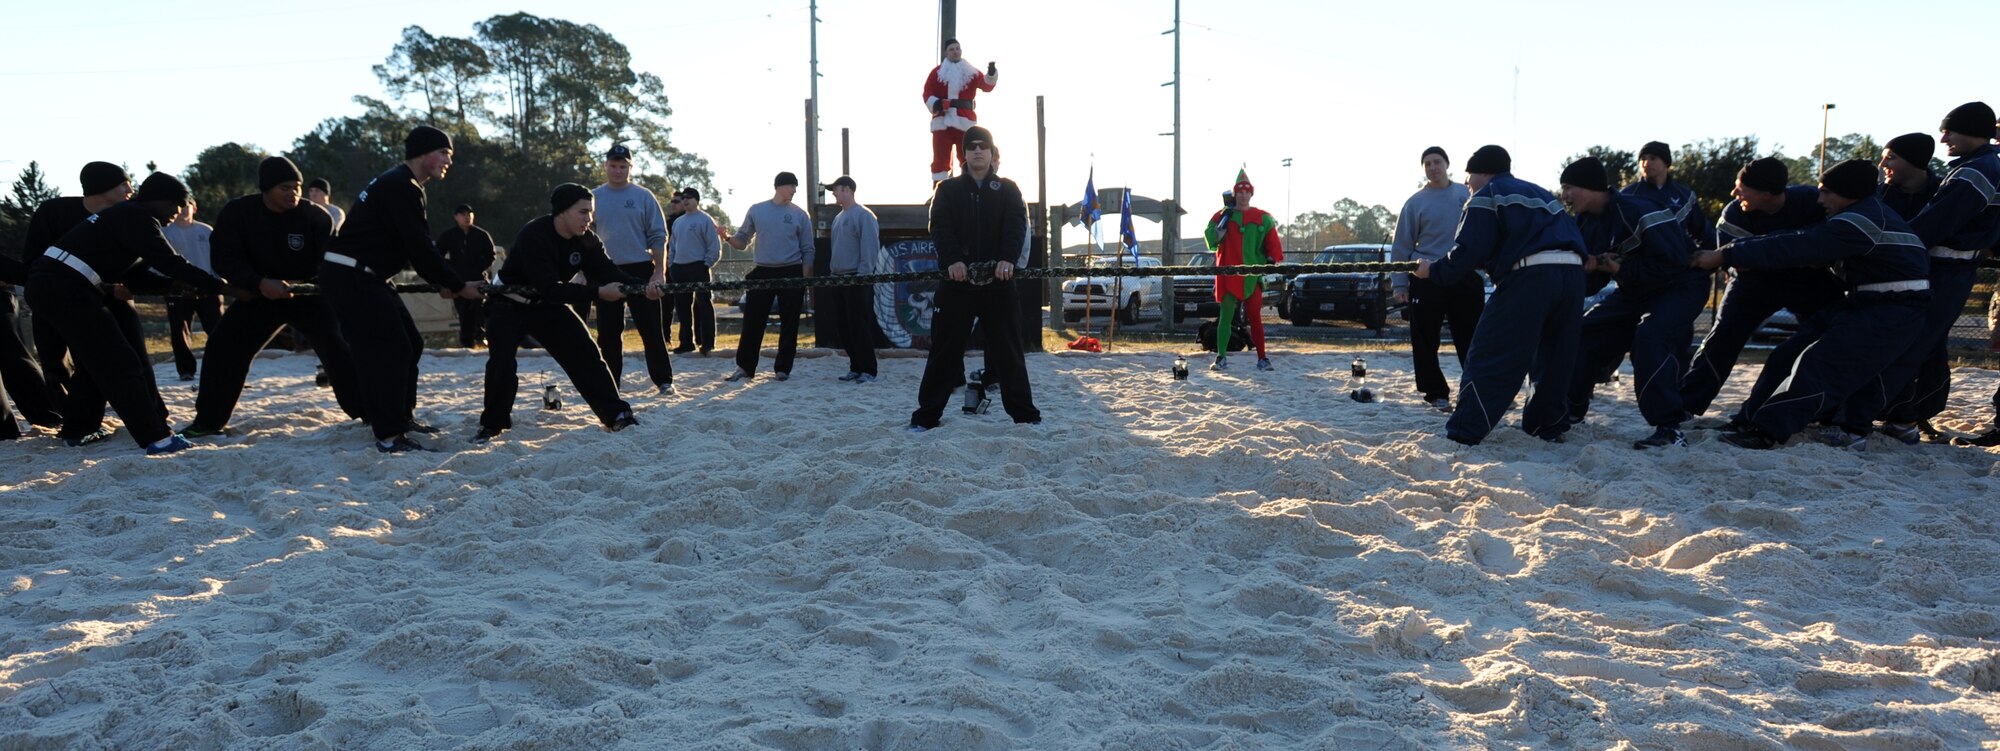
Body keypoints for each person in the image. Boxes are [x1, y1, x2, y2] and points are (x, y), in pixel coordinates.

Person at [1700, 160, 1931, 450]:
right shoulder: (1857, 215)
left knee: (1819, 364)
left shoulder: (1859, 221)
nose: (1820, 200)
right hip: (1865, 301)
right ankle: (1749, 419)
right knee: (1786, 356)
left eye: (1827, 193)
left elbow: (1798, 245)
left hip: (1893, 307)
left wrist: (1727, 255)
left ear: (1849, 194)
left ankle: (1770, 431)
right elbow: (1799, 240)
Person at [25, 172, 223, 455]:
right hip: (65, 288)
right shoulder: (136, 215)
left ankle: (78, 430)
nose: (176, 214)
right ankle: (157, 438)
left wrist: (176, 287)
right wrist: (221, 286)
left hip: (54, 285)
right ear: (159, 201)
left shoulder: (126, 217)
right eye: (175, 206)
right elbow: (169, 261)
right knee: (119, 361)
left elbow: (137, 277)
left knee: (96, 363)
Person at [319, 125, 481, 453]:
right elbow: (420, 247)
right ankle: (389, 435)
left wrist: (444, 282)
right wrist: (457, 285)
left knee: (411, 343)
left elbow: (412, 246)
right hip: (351, 275)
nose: (448, 160)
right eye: (444, 153)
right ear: (422, 152)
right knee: (389, 350)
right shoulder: (401, 185)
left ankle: (400, 417)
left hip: (368, 276)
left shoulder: (401, 183)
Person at [179, 157, 363, 438]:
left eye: (297, 187)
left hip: (307, 296)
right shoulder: (238, 213)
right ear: (266, 189)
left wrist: (315, 285)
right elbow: (224, 258)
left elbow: (330, 261)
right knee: (223, 347)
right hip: (257, 295)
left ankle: (369, 412)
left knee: (340, 347)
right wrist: (258, 282)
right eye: (285, 188)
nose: (294, 193)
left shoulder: (316, 217)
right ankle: (208, 421)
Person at [1414, 145, 1586, 446]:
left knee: (1492, 352)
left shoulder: (1487, 195)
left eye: (1469, 179)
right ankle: (1547, 425)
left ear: (1482, 172)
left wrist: (1434, 271)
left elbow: (1469, 249)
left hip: (1530, 277)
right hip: (1573, 276)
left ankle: (1465, 430)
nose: (1467, 187)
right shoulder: (1542, 194)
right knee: (1555, 355)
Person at [1862, 103, 2000, 445]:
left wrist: (1896, 250)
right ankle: (1910, 413)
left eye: (1950, 131)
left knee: (1914, 342)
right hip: (1954, 265)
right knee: (1929, 344)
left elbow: (1936, 224)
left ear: (1971, 131)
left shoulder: (1977, 170)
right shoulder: (1976, 166)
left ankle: (1888, 415)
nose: (1944, 138)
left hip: (1947, 267)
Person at [476, 184, 654, 443]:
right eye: (583, 212)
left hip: (546, 304)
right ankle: (492, 426)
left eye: (590, 213)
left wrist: (642, 288)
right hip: (507, 303)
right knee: (501, 363)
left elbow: (609, 273)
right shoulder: (534, 235)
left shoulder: (587, 240)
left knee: (587, 353)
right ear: (562, 212)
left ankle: (617, 415)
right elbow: (550, 288)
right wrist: (599, 293)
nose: (588, 219)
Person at [1560, 156, 1711, 449]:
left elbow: (1676, 263)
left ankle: (1669, 427)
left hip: (1681, 285)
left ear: (1590, 188)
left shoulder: (1638, 210)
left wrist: (1622, 268)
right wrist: (1588, 270)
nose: (1564, 195)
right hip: (1638, 288)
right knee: (1582, 332)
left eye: (1568, 187)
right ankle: (1571, 411)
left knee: (1650, 336)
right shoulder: (1586, 223)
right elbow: (1595, 280)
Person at [1679, 157, 1836, 421]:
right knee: (1721, 340)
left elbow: (1828, 243)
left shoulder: (1811, 201)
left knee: (1825, 339)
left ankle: (1825, 410)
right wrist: (1798, 249)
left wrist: (1759, 251)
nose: (1734, 193)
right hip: (1754, 285)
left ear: (1766, 195)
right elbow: (1738, 263)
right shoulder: (1733, 213)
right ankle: (1685, 405)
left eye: (1741, 187)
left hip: (1810, 283)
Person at [909, 125, 1040, 431]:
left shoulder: (1009, 189)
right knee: (944, 351)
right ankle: (926, 417)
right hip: (957, 283)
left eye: (984, 146)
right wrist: (953, 260)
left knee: (1009, 351)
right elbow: (940, 227)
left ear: (992, 153)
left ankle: (1025, 416)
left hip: (999, 282)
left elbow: (1015, 226)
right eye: (972, 147)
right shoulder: (947, 190)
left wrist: (1008, 259)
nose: (978, 151)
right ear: (963, 154)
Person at [17, 161, 133, 429]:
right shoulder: (54, 211)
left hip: (104, 300)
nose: (131, 188)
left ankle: (90, 419)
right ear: (103, 187)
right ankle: (67, 418)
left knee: (104, 359)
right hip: (52, 297)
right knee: (54, 360)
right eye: (123, 183)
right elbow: (33, 258)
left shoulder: (126, 215)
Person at [1390, 146, 1479, 410]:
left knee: (1471, 336)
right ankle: (1435, 392)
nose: (1432, 167)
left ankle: (1479, 387)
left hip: (1462, 274)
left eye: (1437, 162)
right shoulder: (1415, 202)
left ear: (1447, 164)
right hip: (1425, 276)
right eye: (1427, 163)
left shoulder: (1466, 195)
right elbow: (1401, 245)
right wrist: (1400, 284)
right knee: (1425, 338)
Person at [591, 144, 675, 393]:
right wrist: (584, 272)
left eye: (623, 166)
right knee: (607, 333)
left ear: (631, 167)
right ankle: (610, 383)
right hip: (605, 269)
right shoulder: (593, 197)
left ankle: (664, 381)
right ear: (605, 166)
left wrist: (659, 272)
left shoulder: (644, 196)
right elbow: (584, 235)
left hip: (640, 267)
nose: (618, 170)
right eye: (613, 165)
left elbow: (658, 236)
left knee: (651, 328)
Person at [725, 171, 815, 382]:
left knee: (790, 322)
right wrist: (726, 237)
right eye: (792, 186)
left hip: (791, 270)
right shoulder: (757, 210)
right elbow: (741, 241)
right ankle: (745, 367)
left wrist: (803, 279)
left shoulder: (800, 214)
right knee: (752, 321)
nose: (794, 190)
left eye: (795, 187)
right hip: (763, 269)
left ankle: (783, 368)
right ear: (780, 186)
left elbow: (808, 250)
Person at [1203, 169, 1285, 371]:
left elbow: (1273, 245)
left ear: (1251, 194)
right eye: (1239, 191)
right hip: (1228, 275)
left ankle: (1262, 358)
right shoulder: (1223, 216)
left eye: (1246, 191)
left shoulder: (1263, 218)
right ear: (1234, 193)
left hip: (1251, 277)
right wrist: (1221, 226)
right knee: (1225, 316)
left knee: (1255, 318)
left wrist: (1270, 259)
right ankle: (1221, 357)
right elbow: (1211, 240)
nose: (1243, 194)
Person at [824, 176, 881, 382]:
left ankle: (868, 369)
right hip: (838, 277)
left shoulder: (864, 215)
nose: (834, 193)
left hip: (856, 277)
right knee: (844, 325)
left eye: (836, 189)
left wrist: (863, 274)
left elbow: (869, 247)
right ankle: (855, 366)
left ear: (847, 190)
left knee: (858, 324)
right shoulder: (838, 217)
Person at [159, 197, 219, 381]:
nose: (184, 210)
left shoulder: (206, 230)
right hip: (179, 289)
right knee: (179, 331)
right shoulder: (165, 231)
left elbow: (217, 258)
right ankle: (186, 370)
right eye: (180, 206)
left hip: (207, 287)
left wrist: (218, 282)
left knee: (218, 329)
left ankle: (222, 366)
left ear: (195, 208)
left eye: (188, 206)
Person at [921, 38, 997, 183]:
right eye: (952, 49)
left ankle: (969, 187)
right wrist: (935, 103)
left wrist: (991, 74)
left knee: (967, 156)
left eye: (957, 48)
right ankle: (939, 191)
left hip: (964, 121)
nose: (955, 52)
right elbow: (927, 93)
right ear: (946, 53)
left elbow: (986, 86)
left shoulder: (970, 71)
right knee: (940, 158)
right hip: (942, 122)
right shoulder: (937, 73)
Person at [1623, 141, 1713, 250]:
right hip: (1642, 263)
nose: (1646, 163)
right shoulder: (1627, 195)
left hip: (1680, 263)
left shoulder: (1686, 196)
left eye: (1653, 158)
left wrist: (1708, 258)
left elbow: (1704, 233)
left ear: (1665, 162)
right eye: (1643, 159)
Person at [667, 188, 721, 355]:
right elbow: (673, 246)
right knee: (682, 307)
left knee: (704, 305)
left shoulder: (705, 219)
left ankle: (707, 343)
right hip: (679, 267)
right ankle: (686, 342)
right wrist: (671, 265)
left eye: (689, 197)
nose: (685, 200)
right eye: (683, 198)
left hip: (698, 266)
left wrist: (706, 264)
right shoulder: (678, 222)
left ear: (697, 200)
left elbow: (714, 245)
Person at [437, 204, 495, 348]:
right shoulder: (449, 235)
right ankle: (467, 341)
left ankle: (480, 336)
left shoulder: (481, 234)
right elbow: (437, 254)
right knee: (463, 310)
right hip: (458, 280)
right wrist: (451, 269)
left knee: (478, 308)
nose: (466, 217)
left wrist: (478, 266)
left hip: (477, 279)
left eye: (469, 214)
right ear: (456, 217)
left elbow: (490, 255)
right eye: (463, 214)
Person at [1879, 132, 1941, 222]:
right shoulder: (1876, 196)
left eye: (1890, 157)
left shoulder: (1945, 193)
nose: (1882, 164)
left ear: (1914, 160)